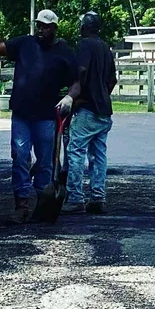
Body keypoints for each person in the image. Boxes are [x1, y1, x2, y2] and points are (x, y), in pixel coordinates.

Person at [0, 9, 75, 221]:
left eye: (46, 26)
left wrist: (69, 97)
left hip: (46, 117)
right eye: (39, 25)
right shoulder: (24, 44)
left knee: (45, 162)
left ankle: (43, 202)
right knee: (20, 157)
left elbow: (76, 81)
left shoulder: (64, 51)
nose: (41, 29)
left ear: (54, 28)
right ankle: (21, 204)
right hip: (22, 114)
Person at [64, 12, 116, 215]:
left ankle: (75, 197)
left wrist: (75, 98)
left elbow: (82, 71)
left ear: (84, 27)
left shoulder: (85, 45)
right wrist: (102, 94)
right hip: (104, 109)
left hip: (87, 108)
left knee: (76, 152)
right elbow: (112, 79)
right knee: (99, 155)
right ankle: (98, 197)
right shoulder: (105, 47)